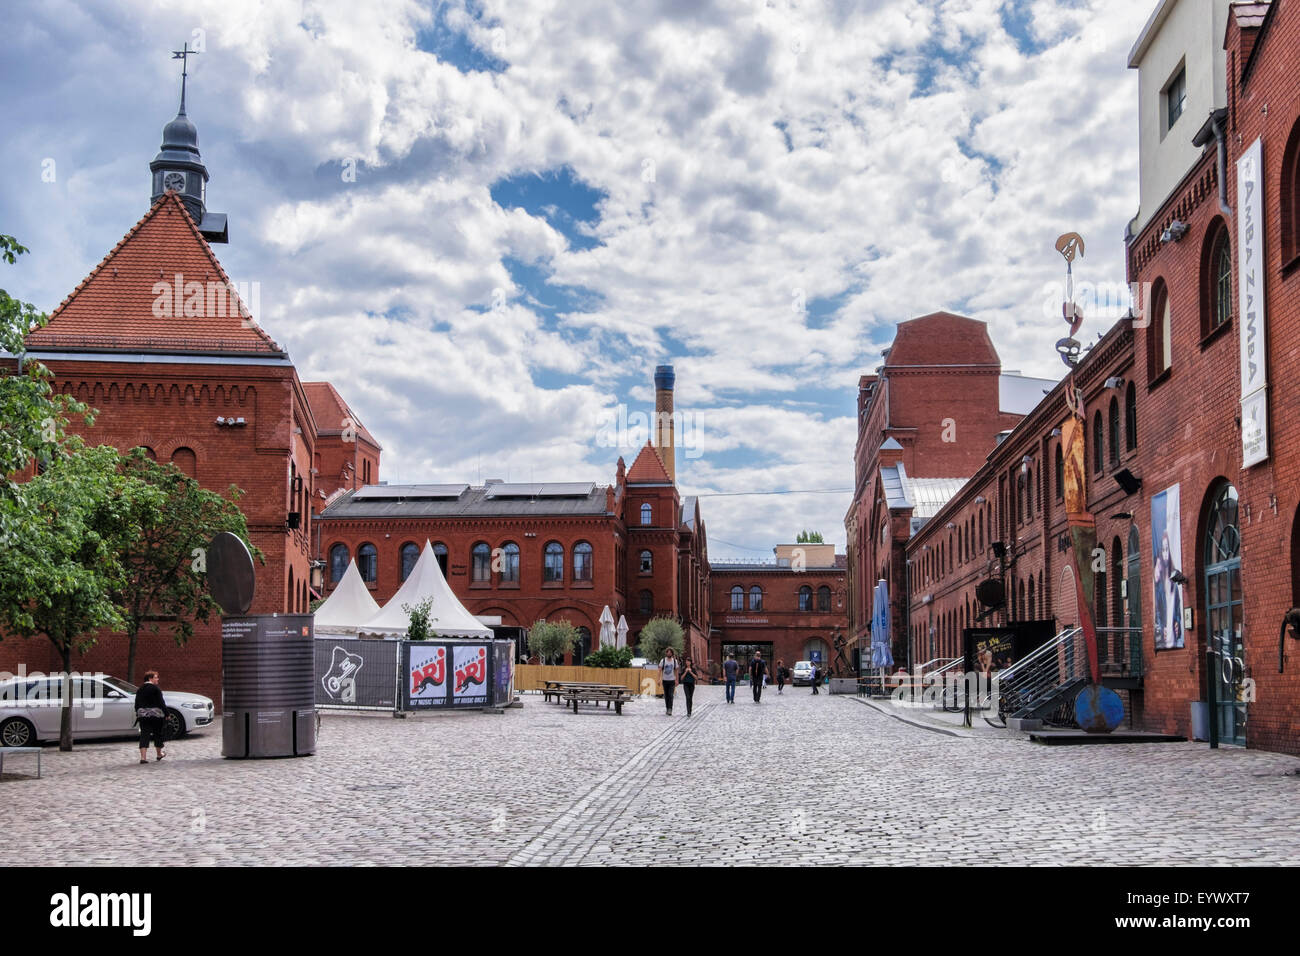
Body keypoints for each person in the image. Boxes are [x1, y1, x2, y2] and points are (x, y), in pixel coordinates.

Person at [135, 670, 167, 764]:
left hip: (143, 716)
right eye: (156, 677)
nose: (158, 679)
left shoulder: (140, 689)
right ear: (150, 678)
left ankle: (143, 758)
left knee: (144, 735)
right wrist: (167, 714)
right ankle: (159, 754)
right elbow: (161, 703)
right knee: (157, 734)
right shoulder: (156, 689)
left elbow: (137, 704)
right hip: (156, 716)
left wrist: (138, 713)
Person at [659, 647, 678, 716]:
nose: (669, 653)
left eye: (670, 652)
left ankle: (670, 709)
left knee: (671, 695)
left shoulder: (674, 661)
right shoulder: (663, 661)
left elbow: (676, 671)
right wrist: (659, 679)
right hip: (665, 680)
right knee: (666, 696)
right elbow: (660, 670)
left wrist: (677, 680)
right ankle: (667, 708)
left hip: (672, 680)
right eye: (668, 652)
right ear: (666, 653)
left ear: (672, 653)